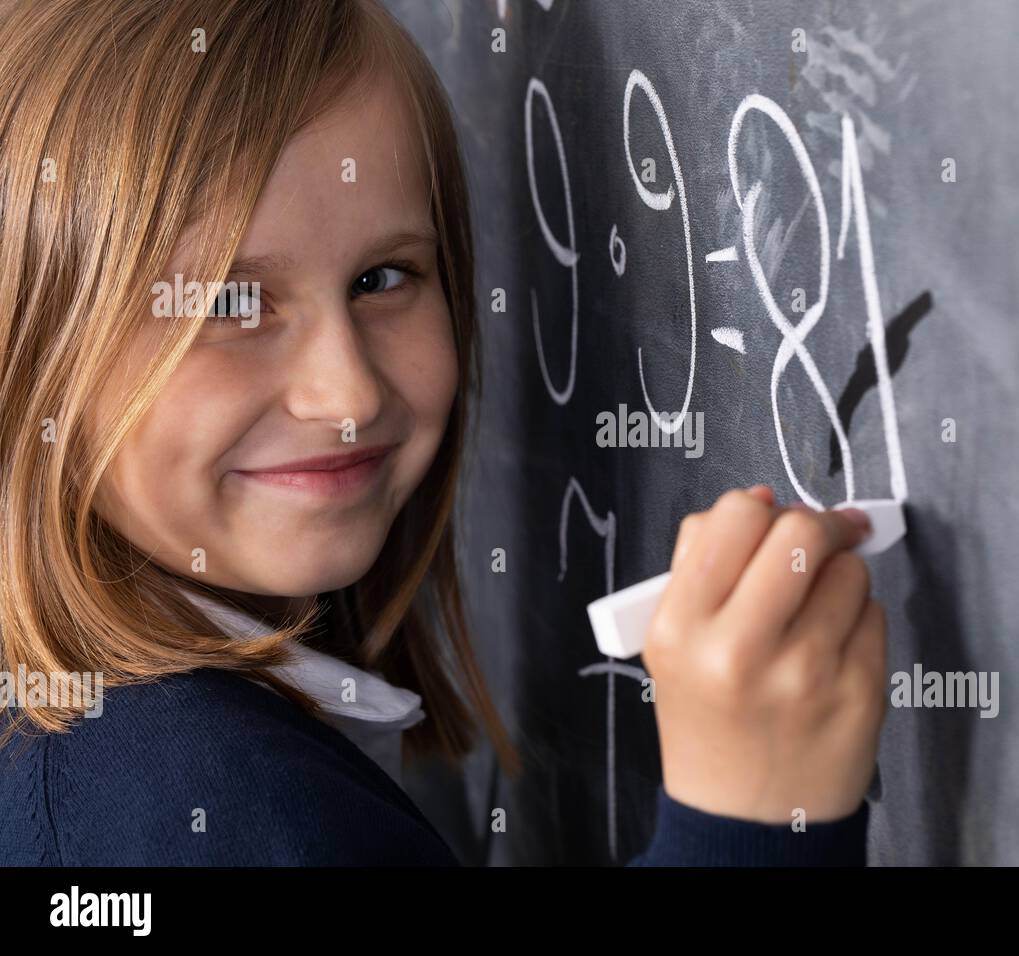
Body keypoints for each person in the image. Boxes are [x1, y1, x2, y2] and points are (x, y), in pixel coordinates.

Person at [0, 0, 887, 866]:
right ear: (26, 342)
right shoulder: (214, 811)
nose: (344, 390)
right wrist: (750, 825)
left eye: (383, 277)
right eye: (229, 303)